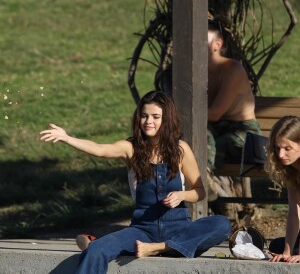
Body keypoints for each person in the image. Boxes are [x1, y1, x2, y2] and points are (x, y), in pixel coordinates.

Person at [40, 90, 231, 274]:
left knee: (221, 224)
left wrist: (182, 195)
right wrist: (66, 138)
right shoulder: (130, 148)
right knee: (97, 250)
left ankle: (158, 248)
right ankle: (155, 247)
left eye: (156, 116)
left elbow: (200, 191)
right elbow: (100, 149)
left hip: (178, 228)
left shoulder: (180, 149)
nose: (149, 121)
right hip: (142, 231)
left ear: (167, 119)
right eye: (144, 116)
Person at [206, 21, 262, 218]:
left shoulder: (232, 69)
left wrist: (182, 112)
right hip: (215, 131)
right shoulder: (198, 71)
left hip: (244, 133)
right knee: (199, 138)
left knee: (210, 143)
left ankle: (207, 185)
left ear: (217, 44)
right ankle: (205, 182)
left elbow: (214, 113)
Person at [264, 115, 300, 263]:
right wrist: (287, 252)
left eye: (287, 148)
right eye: (277, 148)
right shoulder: (292, 170)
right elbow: (294, 211)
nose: (280, 155)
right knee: (278, 246)